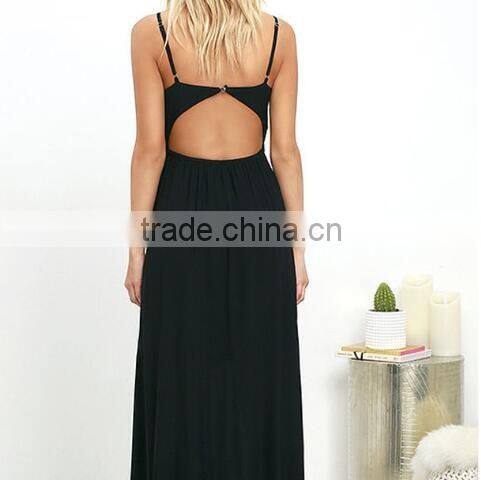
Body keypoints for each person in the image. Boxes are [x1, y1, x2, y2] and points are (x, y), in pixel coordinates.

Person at [125, 2, 307, 478]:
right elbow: (285, 153)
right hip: (259, 213)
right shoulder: (277, 36)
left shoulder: (153, 34)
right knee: (258, 372)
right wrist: (297, 251)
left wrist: (136, 251)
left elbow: (150, 151)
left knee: (180, 368)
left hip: (181, 213)